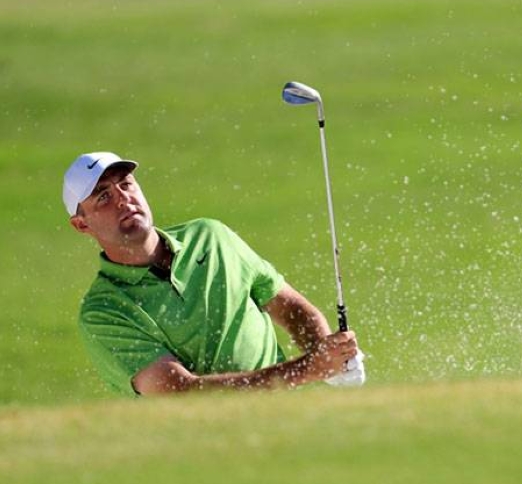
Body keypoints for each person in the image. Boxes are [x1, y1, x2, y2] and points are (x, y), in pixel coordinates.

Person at [64, 151, 359, 396]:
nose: (122, 199)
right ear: (82, 225)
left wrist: (327, 353)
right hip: (209, 451)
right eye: (103, 196)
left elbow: (291, 308)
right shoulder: (103, 311)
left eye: (126, 184)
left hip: (290, 418)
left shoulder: (211, 237)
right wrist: (306, 370)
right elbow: (181, 393)